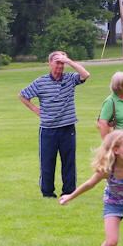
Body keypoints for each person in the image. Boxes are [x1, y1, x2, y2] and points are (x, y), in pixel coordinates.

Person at [19, 51, 90, 197]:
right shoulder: (41, 82)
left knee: (69, 162)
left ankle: (69, 192)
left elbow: (85, 75)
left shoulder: (70, 78)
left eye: (62, 63)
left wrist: (69, 61)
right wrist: (35, 110)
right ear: (50, 64)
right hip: (48, 129)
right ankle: (47, 192)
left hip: (67, 128)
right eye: (57, 63)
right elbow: (23, 95)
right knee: (47, 162)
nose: (60, 66)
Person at [98, 71, 123, 145]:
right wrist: (107, 145)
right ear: (120, 86)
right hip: (117, 142)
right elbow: (102, 124)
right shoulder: (110, 101)